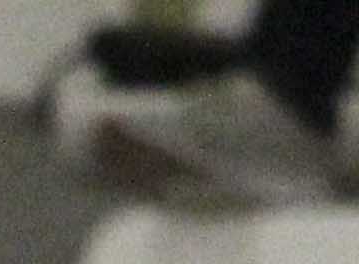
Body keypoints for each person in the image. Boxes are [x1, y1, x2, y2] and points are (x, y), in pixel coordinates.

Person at [59, 0, 357, 201]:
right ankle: (278, 156)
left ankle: (285, 166)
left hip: (290, 109)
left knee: (101, 132)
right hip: (276, 95)